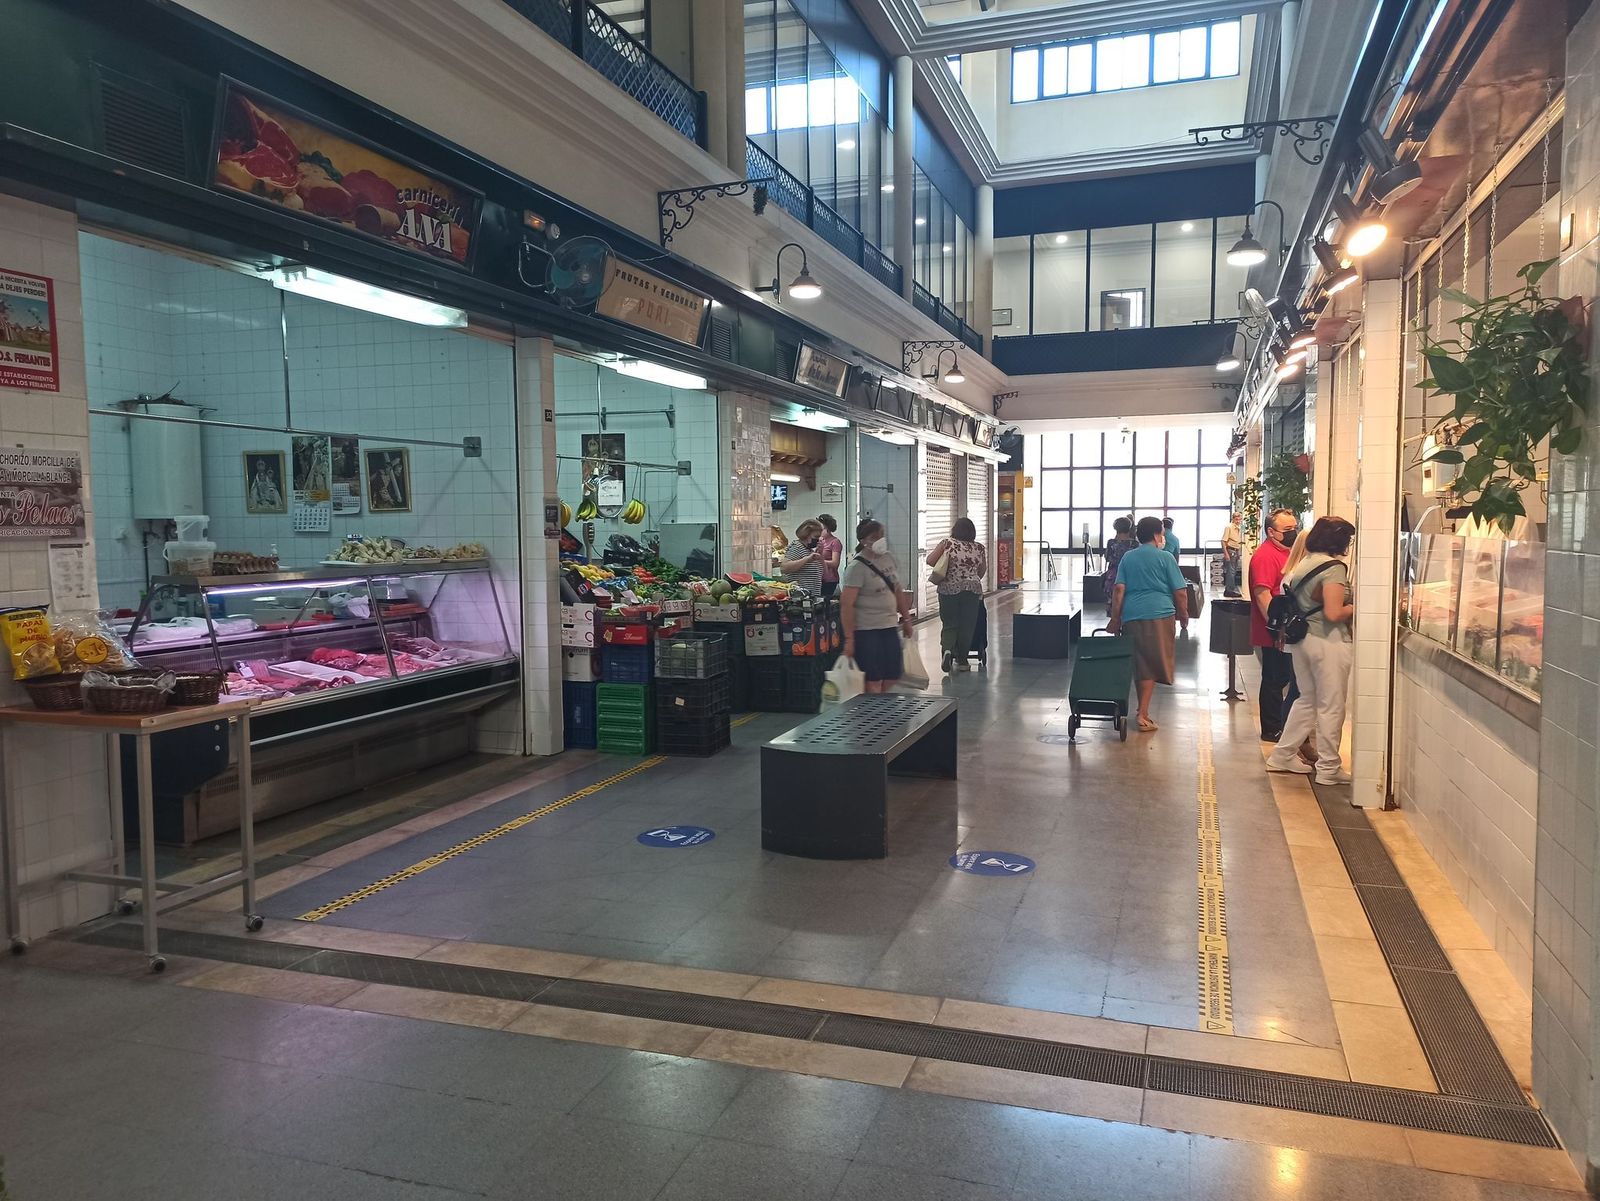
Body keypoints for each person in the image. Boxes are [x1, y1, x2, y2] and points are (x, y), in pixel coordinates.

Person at [1265, 517, 1356, 785]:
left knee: (1307, 699)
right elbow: (1334, 611)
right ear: (1339, 541)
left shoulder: (1303, 563)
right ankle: (1328, 769)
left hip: (1302, 641)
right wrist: (1361, 606)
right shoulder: (1334, 568)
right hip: (1328, 642)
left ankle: (1282, 755)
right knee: (1331, 705)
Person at [1107, 516, 1190, 732]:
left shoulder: (1128, 558)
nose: (1163, 536)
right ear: (1156, 535)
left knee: (1140, 662)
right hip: (1160, 614)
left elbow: (1118, 590)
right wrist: (1184, 615)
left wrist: (1115, 619)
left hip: (1132, 615)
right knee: (1152, 663)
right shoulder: (1166, 558)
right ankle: (1142, 713)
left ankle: (1141, 710)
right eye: (1161, 532)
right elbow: (1180, 592)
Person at [840, 519, 914, 693]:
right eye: (874, 537)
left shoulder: (889, 558)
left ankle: (886, 712)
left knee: (892, 675)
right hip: (867, 631)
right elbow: (846, 605)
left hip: (889, 627)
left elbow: (897, 590)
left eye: (882, 535)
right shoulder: (856, 568)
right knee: (873, 679)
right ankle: (873, 714)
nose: (880, 539)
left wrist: (907, 619)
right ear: (863, 541)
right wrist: (849, 639)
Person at [1250, 509, 1299, 742]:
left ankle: (1280, 723)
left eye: (1294, 528)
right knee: (1274, 678)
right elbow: (1262, 594)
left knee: (1282, 677)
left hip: (1283, 629)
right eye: (1287, 530)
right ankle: (1271, 728)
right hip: (1273, 631)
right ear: (1271, 532)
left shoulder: (1287, 552)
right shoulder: (1265, 556)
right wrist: (1276, 626)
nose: (1293, 533)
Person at [927, 517, 987, 673]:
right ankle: (962, 660)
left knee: (950, 622)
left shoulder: (947, 543)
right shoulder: (979, 548)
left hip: (948, 589)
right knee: (967, 625)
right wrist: (969, 578)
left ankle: (947, 651)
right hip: (972, 590)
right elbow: (982, 570)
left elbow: (930, 561)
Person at [779, 519, 825, 598]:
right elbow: (784, 568)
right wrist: (806, 560)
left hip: (813, 597)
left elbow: (824, 573)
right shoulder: (797, 547)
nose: (817, 540)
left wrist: (820, 554)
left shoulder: (810, 551)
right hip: (799, 598)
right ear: (806, 534)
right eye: (816, 537)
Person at [1102, 517, 1138, 610]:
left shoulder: (1111, 542)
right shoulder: (1134, 543)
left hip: (1113, 576)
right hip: (1129, 575)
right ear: (1129, 527)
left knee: (1114, 603)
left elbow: (1107, 557)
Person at [816, 514, 843, 600]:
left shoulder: (835, 542)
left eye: (821, 529)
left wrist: (819, 560)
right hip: (819, 578)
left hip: (830, 580)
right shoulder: (820, 541)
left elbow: (835, 563)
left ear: (827, 528)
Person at [1222, 512, 1244, 597]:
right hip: (1230, 550)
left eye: (1239, 519)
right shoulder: (1229, 527)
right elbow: (1223, 541)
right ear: (1233, 519)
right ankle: (1229, 590)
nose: (1238, 521)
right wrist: (1226, 553)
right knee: (1231, 572)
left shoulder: (1239, 528)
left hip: (1236, 550)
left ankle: (1230, 588)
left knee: (1233, 571)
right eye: (1237, 519)